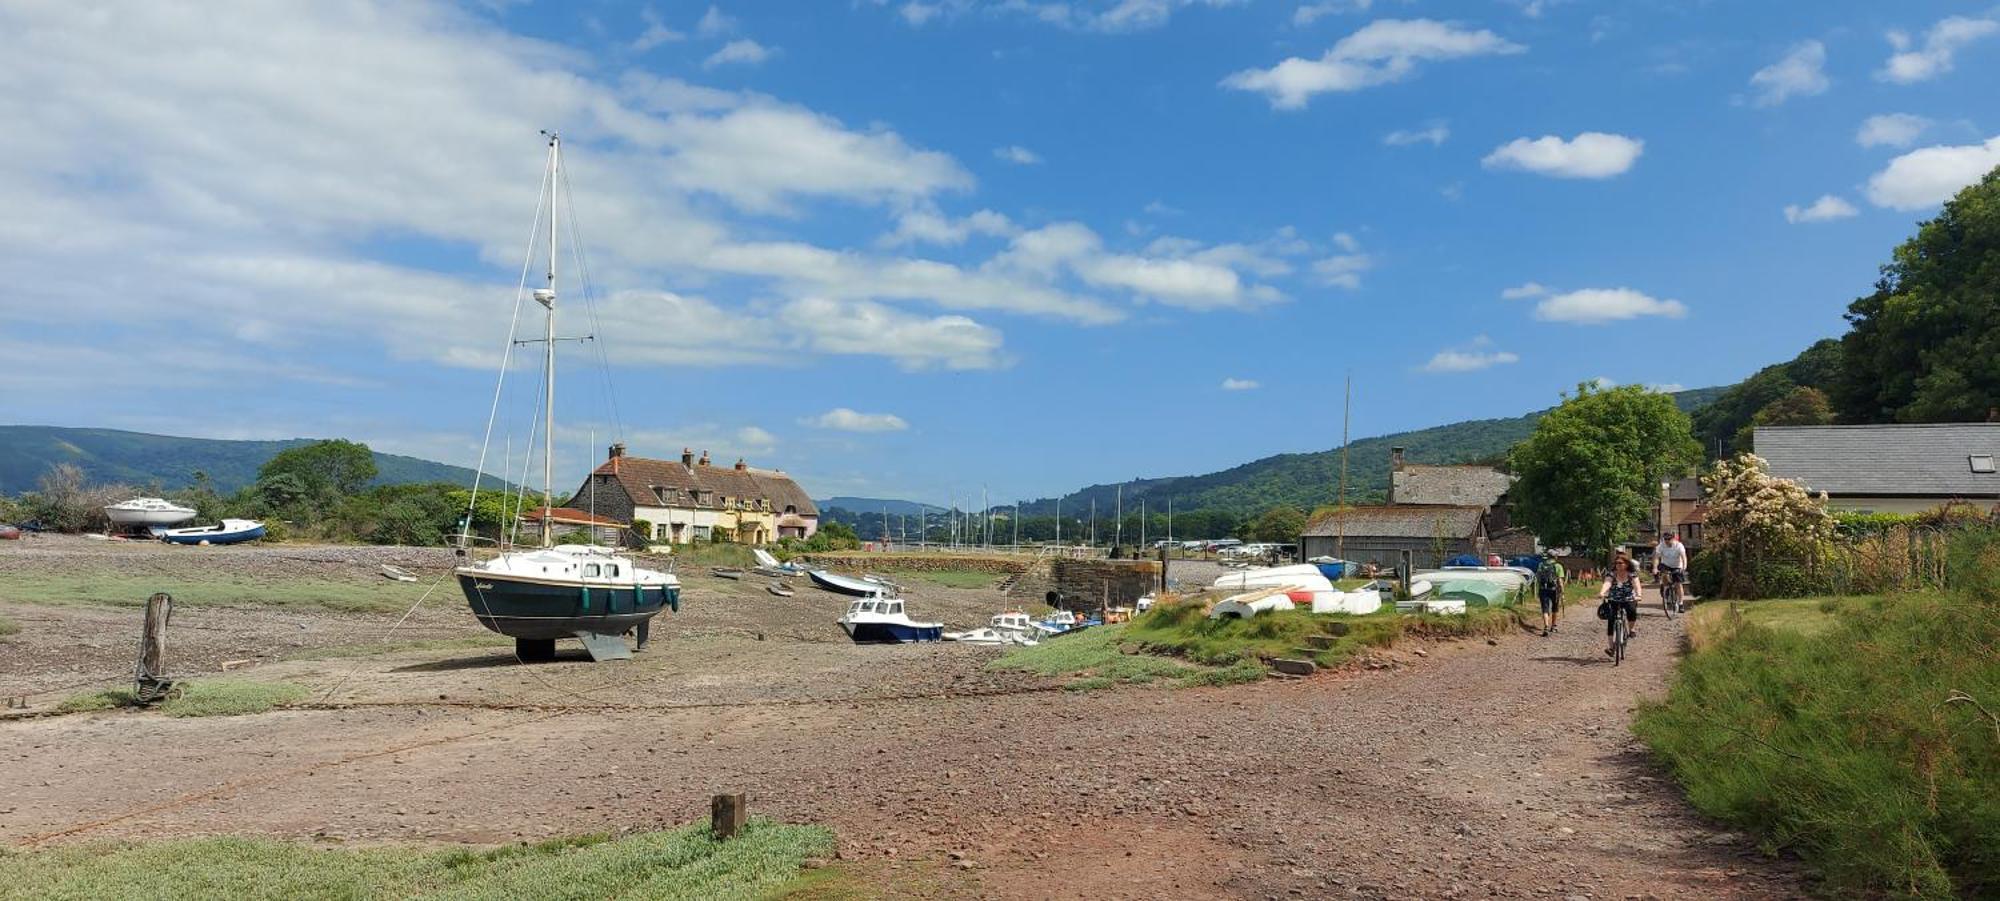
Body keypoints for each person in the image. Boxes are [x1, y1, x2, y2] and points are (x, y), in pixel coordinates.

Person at [1599, 554, 1642, 656]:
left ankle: (1631, 629)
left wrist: (1639, 595)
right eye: (1616, 563)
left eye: (1620, 563)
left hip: (1628, 598)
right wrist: (1602, 592)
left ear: (1626, 564)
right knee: (1611, 620)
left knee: (1632, 610)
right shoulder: (1612, 574)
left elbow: (1637, 585)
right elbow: (1607, 583)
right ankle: (1611, 648)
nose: (1618, 565)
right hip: (1614, 599)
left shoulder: (1632, 574)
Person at [1653, 532, 1690, 609]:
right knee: (1664, 575)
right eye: (1665, 539)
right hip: (1665, 565)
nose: (1667, 541)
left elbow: (1684, 557)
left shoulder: (1679, 546)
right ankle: (1666, 589)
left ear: (1673, 539)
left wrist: (1684, 567)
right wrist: (1655, 568)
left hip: (1677, 565)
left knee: (1678, 584)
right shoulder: (1661, 546)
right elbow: (1656, 557)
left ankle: (1680, 603)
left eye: (1668, 539)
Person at [1535, 552, 1566, 637]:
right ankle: (1553, 626)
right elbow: (1560, 581)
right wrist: (1562, 592)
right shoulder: (1558, 566)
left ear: (1548, 556)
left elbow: (1537, 577)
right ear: (1555, 557)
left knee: (1545, 608)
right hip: (1554, 590)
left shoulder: (1541, 564)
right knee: (1555, 608)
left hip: (1543, 589)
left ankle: (1546, 627)